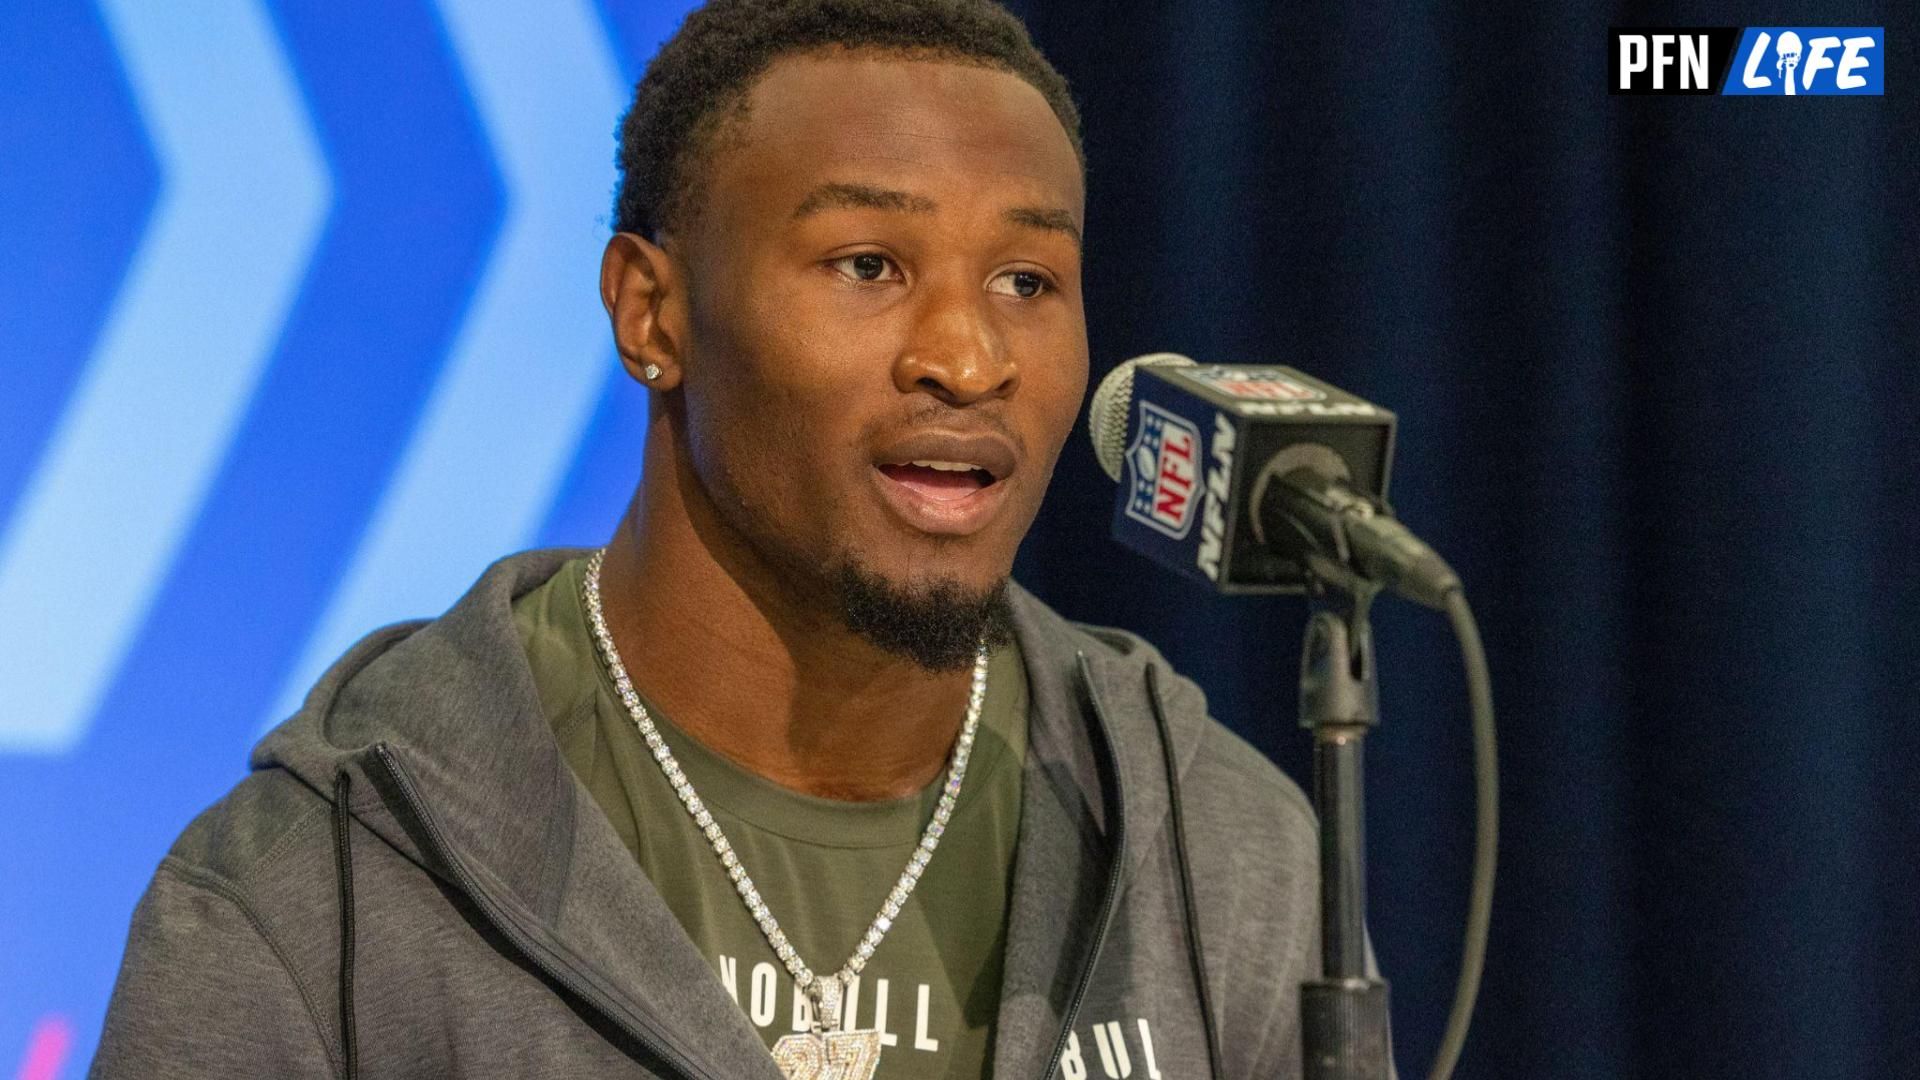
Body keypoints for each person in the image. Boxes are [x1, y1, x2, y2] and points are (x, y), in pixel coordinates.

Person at [90, 1, 1330, 1076]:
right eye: (867, 264)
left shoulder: (1215, 859)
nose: (968, 358)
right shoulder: (320, 894)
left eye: (1027, 281)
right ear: (651, 310)